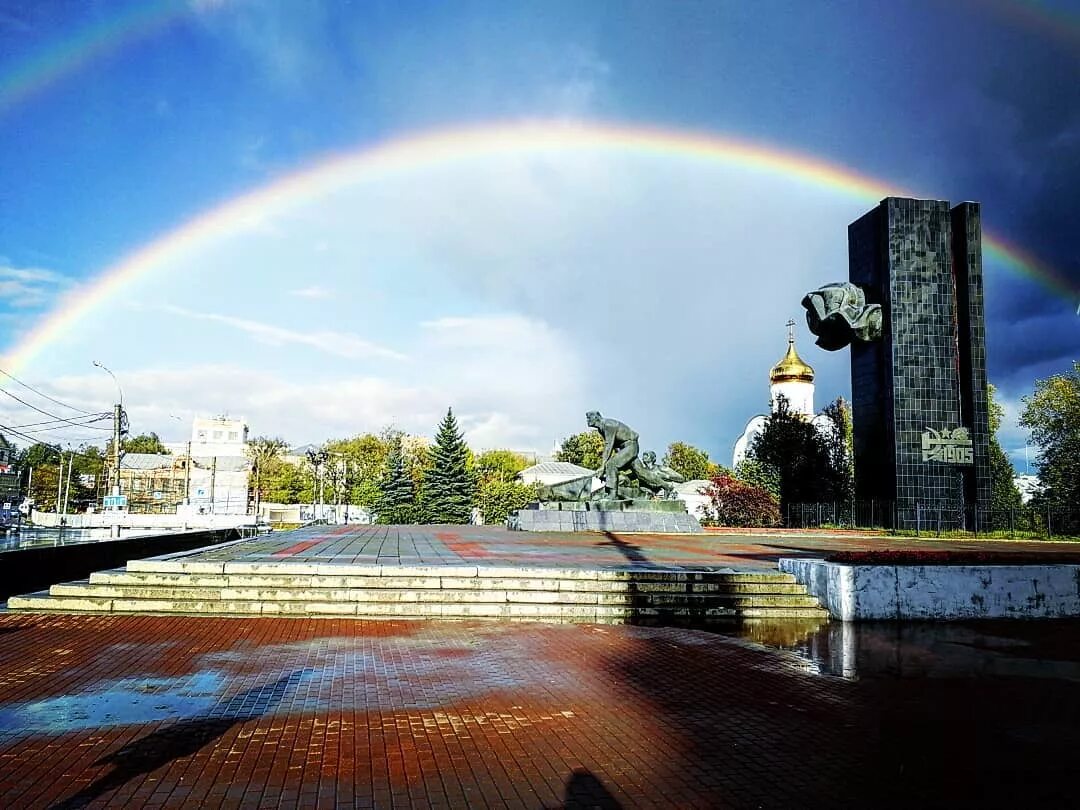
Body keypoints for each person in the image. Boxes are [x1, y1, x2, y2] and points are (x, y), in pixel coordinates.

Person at [586, 411, 639, 499]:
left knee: (611, 464)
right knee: (641, 472)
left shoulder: (608, 425)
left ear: (596, 417)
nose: (587, 420)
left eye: (589, 418)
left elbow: (608, 445)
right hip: (625, 448)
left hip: (630, 446)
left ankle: (613, 494)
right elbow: (614, 445)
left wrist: (603, 466)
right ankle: (667, 485)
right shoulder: (601, 429)